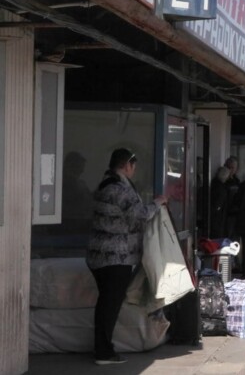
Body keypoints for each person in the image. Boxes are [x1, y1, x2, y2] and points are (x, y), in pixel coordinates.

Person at [87, 148, 167, 365]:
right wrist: (158, 203)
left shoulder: (106, 183)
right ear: (127, 165)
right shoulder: (120, 189)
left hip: (101, 255)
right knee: (109, 305)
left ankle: (102, 347)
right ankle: (104, 352)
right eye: (134, 166)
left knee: (106, 303)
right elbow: (139, 216)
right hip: (115, 257)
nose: (134, 170)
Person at [209, 166, 231, 237]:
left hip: (214, 217)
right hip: (218, 218)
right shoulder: (221, 188)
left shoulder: (213, 184)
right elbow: (218, 205)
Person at [223, 156, 241, 239]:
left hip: (235, 212)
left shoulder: (236, 180)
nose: (231, 170)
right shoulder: (223, 181)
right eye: (229, 167)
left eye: (233, 168)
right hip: (226, 213)